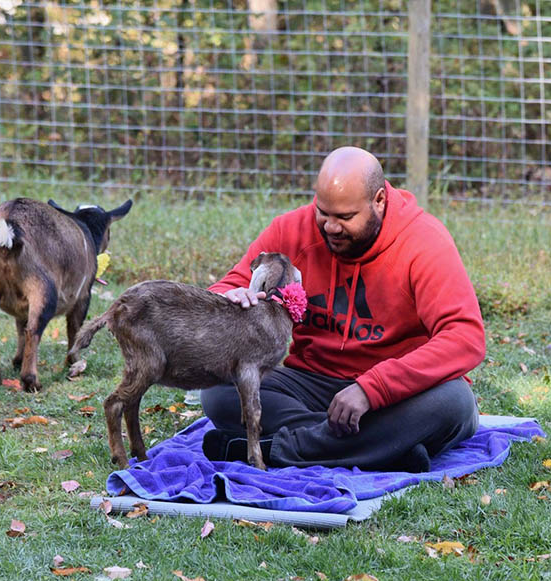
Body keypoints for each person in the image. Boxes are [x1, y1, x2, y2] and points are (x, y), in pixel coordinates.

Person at [200, 146, 486, 472]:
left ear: (379, 200)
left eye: (346, 218)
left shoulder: (424, 241)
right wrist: (229, 299)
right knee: (220, 389)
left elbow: (466, 337)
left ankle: (281, 450)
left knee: (456, 404)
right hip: (311, 382)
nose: (331, 227)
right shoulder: (292, 229)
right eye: (323, 212)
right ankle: (382, 448)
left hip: (396, 395)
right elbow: (227, 286)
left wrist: (372, 388)